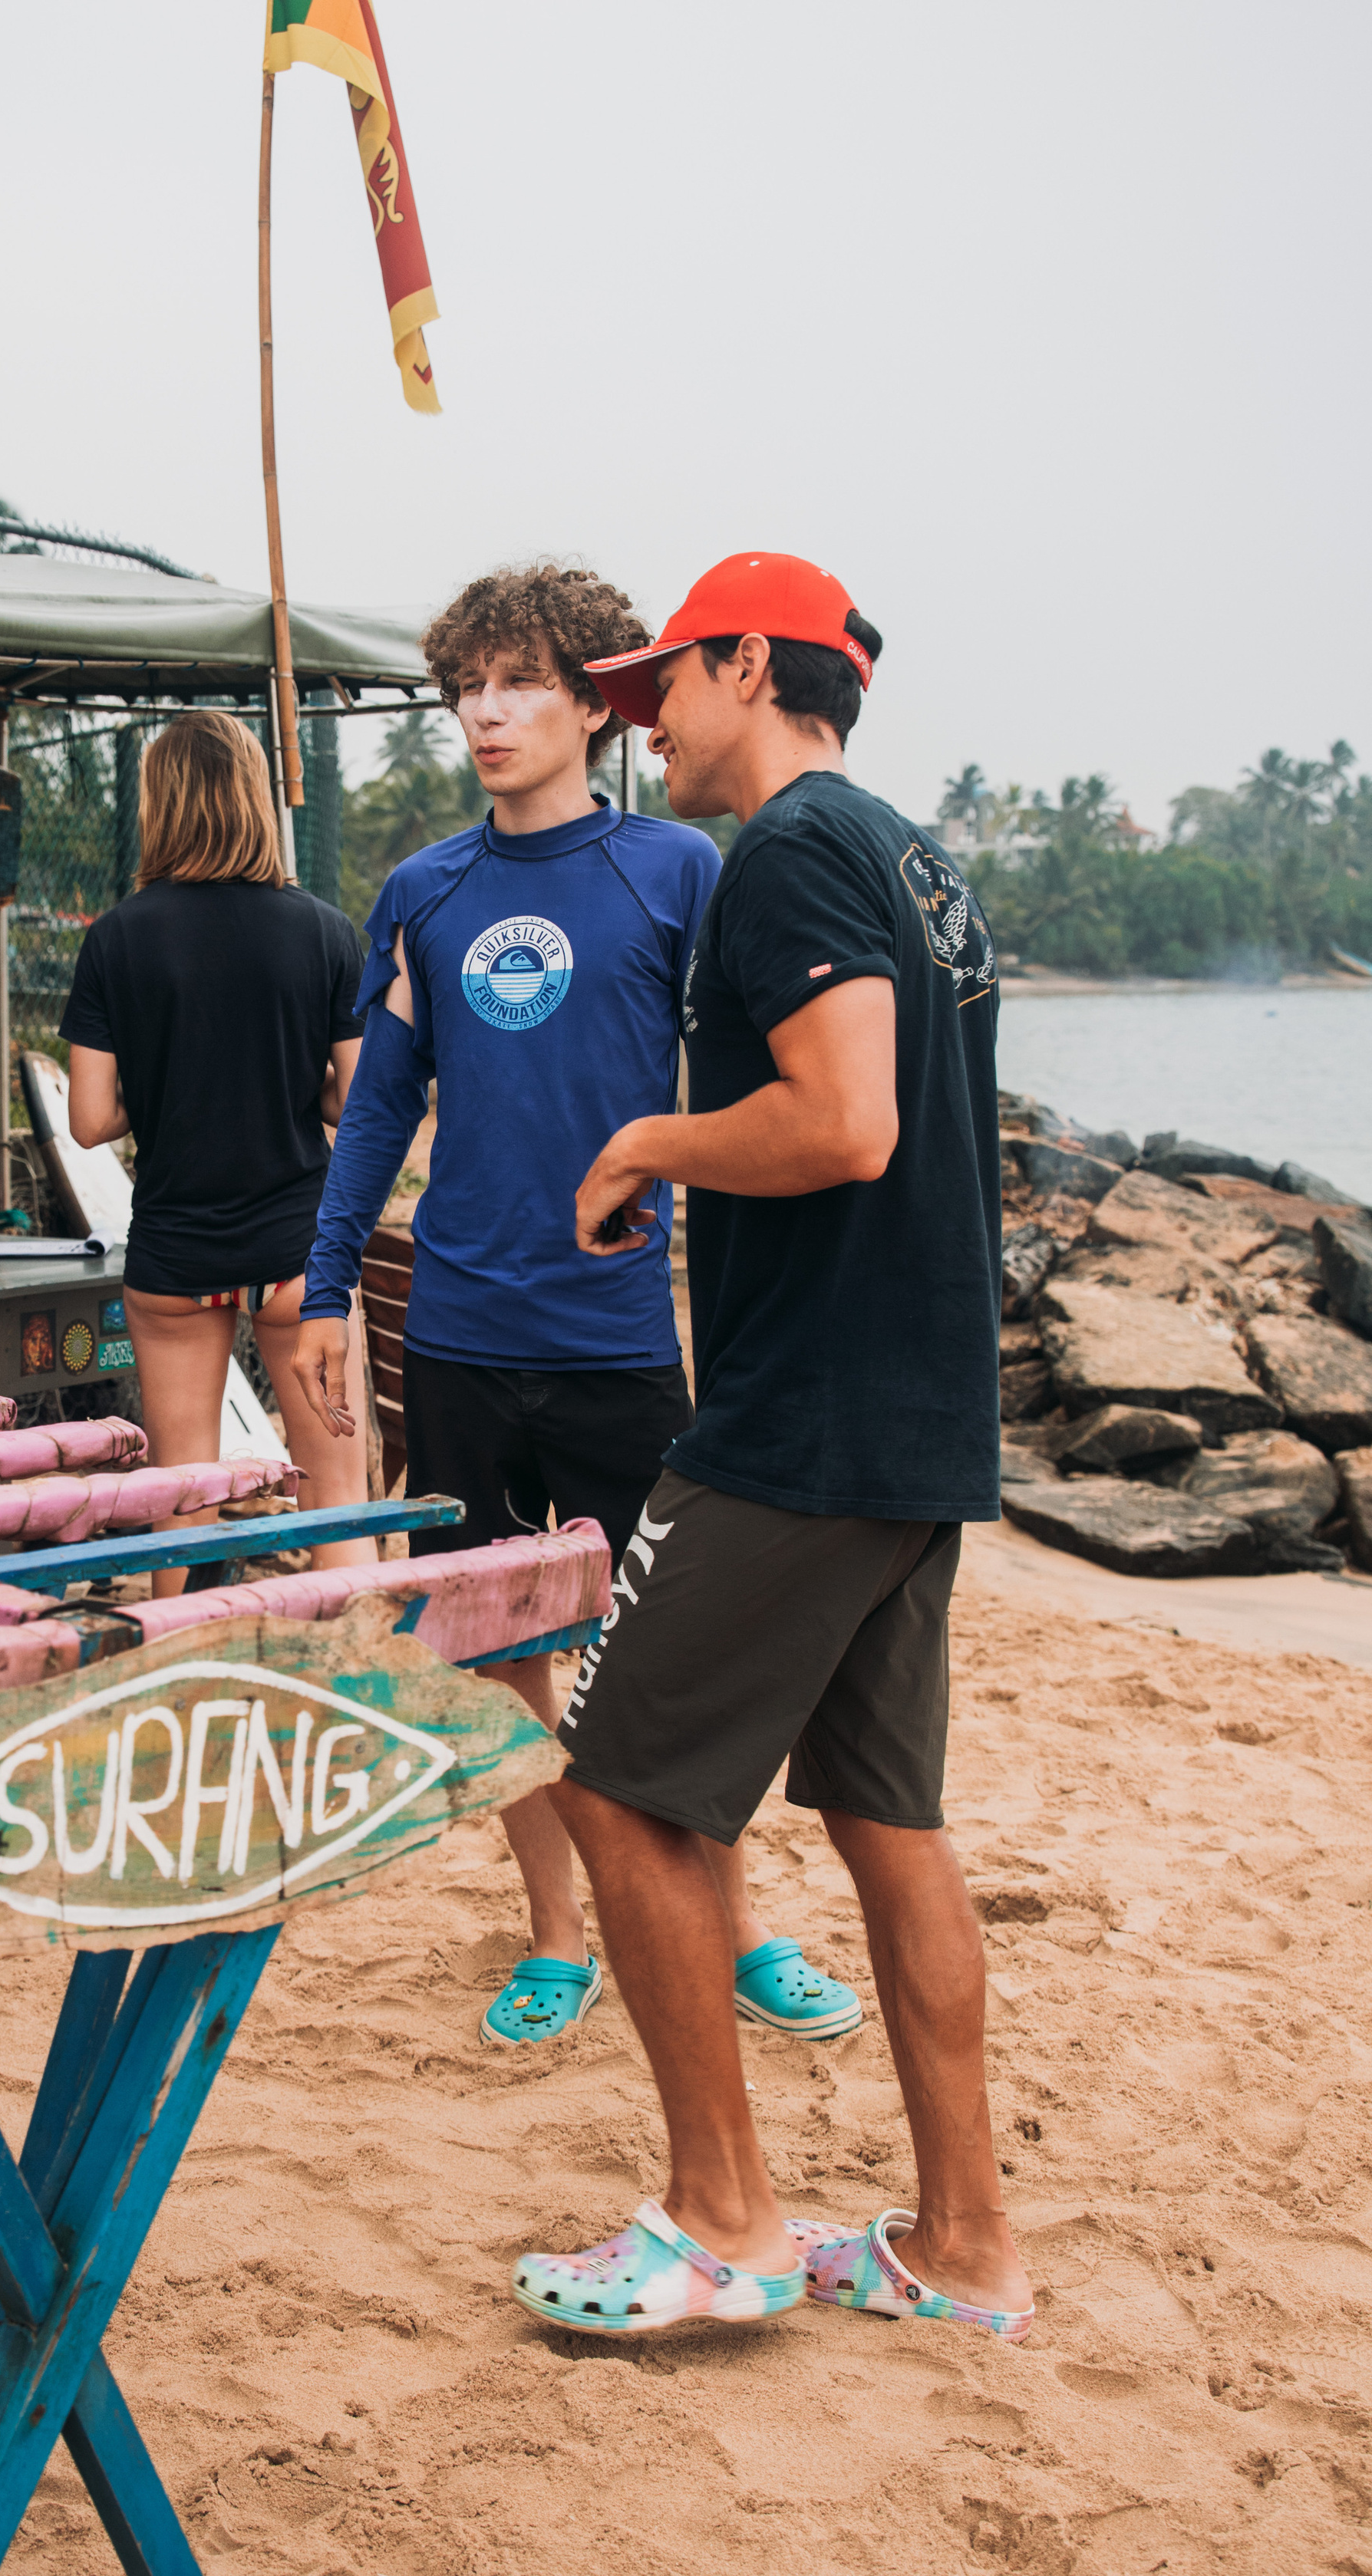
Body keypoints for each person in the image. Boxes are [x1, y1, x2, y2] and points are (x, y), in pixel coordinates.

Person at [508, 552, 1031, 2342]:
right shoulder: (915, 853)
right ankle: (962, 2245)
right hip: (915, 1413)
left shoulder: (788, 852)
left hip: (803, 1416)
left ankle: (719, 2216)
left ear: (750, 664)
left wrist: (645, 1141)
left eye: (666, 681)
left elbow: (843, 1119)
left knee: (611, 1776)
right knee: (888, 1819)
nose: (641, 717)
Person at [294, 564, 857, 2051]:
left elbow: (767, 1089)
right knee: (495, 1659)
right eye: (466, 686)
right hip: (462, 1334)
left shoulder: (674, 868)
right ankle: (553, 1930)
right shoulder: (423, 891)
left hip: (617, 1337)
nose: (488, 711)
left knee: (666, 1658)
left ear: (594, 701)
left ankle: (729, 1924)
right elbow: (376, 1110)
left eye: (522, 681)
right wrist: (322, 1277)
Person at [61, 711, 375, 1594]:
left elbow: (88, 1120)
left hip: (175, 1250)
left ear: (158, 803)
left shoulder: (115, 937)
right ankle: (351, 1693)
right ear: (256, 798)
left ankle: (188, 1687)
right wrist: (295, 1078)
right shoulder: (324, 931)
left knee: (183, 1490)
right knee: (337, 1494)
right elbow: (360, 1102)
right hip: (298, 1252)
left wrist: (165, 1081)